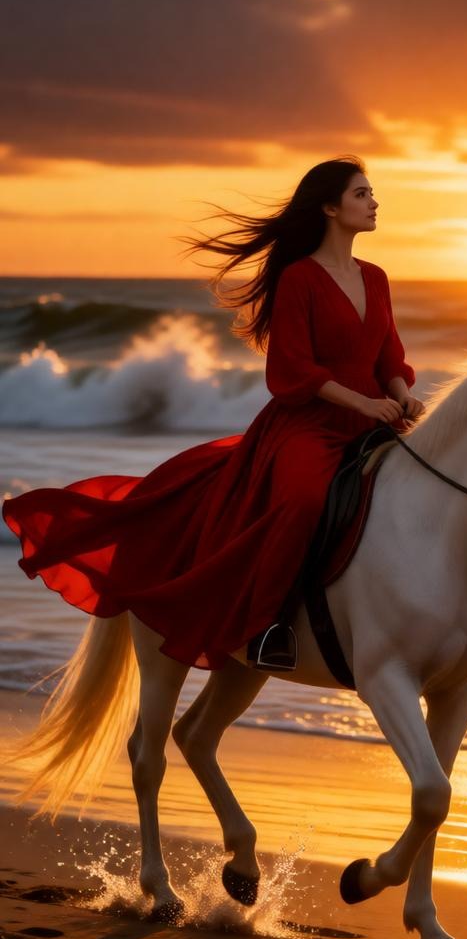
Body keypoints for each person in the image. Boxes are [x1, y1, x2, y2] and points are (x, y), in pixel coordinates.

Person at [2, 156, 425, 673]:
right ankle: (270, 626)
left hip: (374, 420)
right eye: (362, 194)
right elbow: (293, 369)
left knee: (433, 489)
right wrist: (362, 402)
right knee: (302, 501)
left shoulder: (376, 278)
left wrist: (402, 395)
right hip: (308, 425)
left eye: (371, 192)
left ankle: (454, 626)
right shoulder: (299, 279)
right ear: (330, 207)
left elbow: (389, 357)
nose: (374, 201)